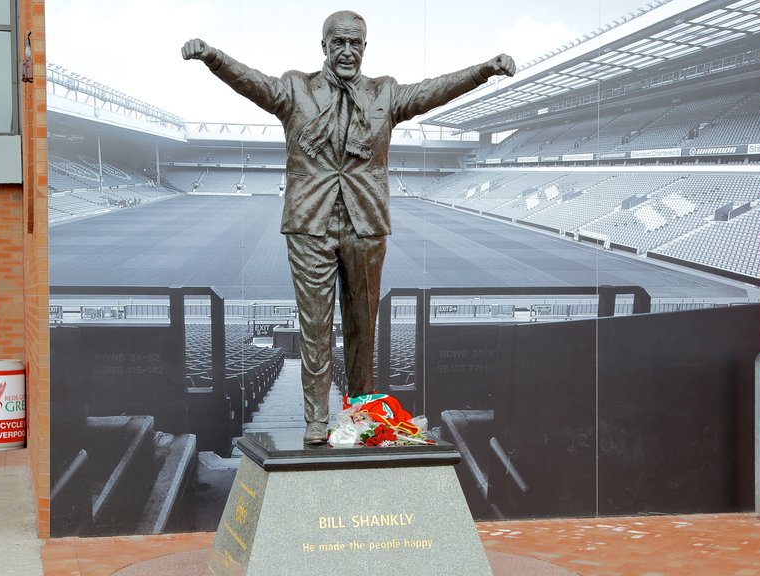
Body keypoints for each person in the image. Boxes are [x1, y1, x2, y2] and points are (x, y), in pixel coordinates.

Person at [182, 10, 515, 444]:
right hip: (309, 223)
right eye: (338, 42)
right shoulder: (295, 89)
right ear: (323, 47)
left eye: (355, 43)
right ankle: (316, 419)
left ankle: (360, 413)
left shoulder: (385, 94)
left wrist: (482, 72)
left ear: (364, 47)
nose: (346, 51)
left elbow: (433, 91)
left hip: (365, 223)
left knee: (363, 324)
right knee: (314, 325)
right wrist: (212, 57)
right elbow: (252, 82)